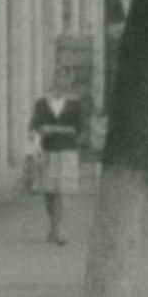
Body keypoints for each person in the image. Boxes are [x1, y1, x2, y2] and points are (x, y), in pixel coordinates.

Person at [28, 81, 86, 244]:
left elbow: (79, 129)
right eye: (55, 86)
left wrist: (53, 129)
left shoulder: (74, 105)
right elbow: (33, 126)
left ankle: (57, 231)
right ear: (50, 87)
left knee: (62, 191)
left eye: (62, 86)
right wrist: (39, 133)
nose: (59, 89)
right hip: (47, 151)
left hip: (67, 151)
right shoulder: (41, 104)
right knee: (49, 192)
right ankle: (53, 227)